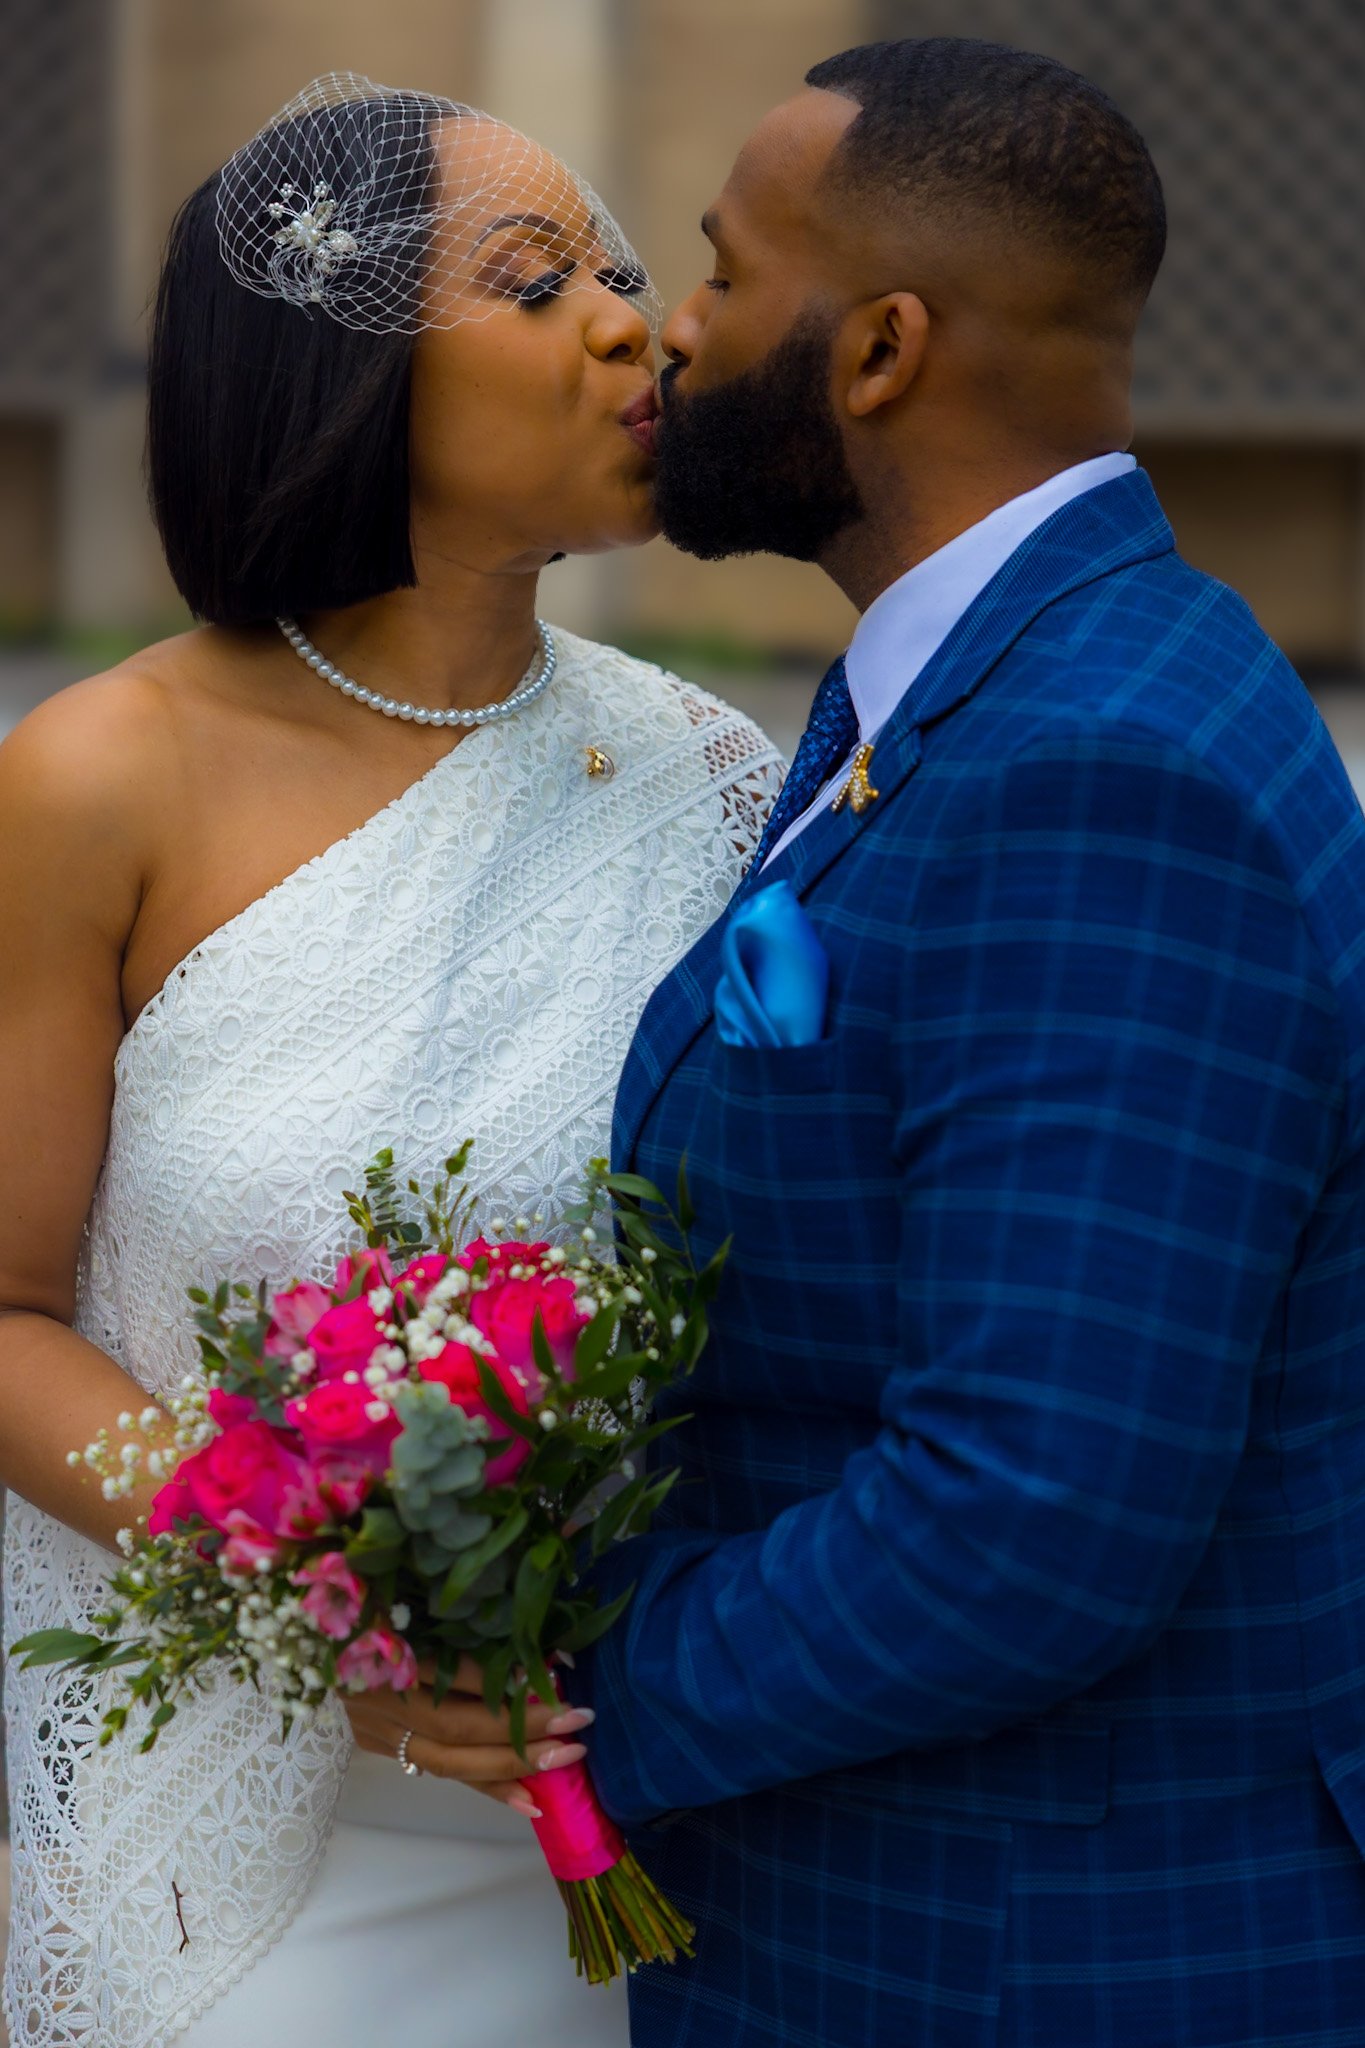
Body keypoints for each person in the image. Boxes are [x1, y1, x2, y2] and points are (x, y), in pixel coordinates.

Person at [572, 37, 1365, 2047]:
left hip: (1020, 1947)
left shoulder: (1098, 768)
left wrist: (581, 1689)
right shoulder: (974, 684)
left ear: (876, 351)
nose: (674, 327)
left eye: (723, 272)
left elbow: (1024, 1516)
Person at [0, 74, 781, 2048]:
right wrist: (318, 1607)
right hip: (238, 1811)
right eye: (536, 285)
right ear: (334, 373)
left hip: (612, 1790)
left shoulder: (708, 785)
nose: (628, 319)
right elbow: (1, 1309)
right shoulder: (100, 779)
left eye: (622, 270)